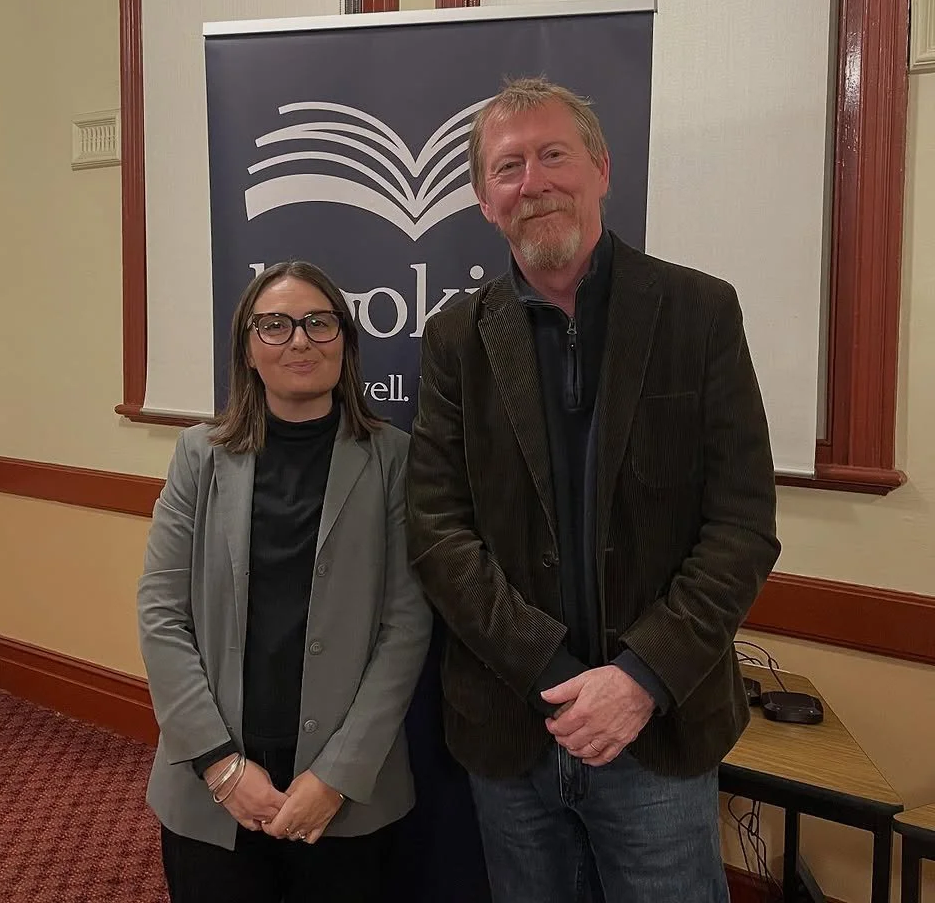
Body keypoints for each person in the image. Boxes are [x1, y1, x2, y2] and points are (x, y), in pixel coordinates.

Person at [405, 76, 780, 902]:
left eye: (553, 155)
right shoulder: (454, 340)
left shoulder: (700, 313)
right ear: (484, 201)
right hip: (511, 731)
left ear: (601, 169)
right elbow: (436, 530)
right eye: (508, 168)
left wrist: (639, 677)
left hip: (657, 732)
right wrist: (550, 670)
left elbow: (743, 525)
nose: (533, 182)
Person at [139, 259, 432, 903]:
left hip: (346, 789)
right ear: (247, 348)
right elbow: (161, 614)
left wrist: (336, 777)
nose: (300, 340)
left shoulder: (393, 457)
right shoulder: (199, 456)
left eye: (319, 323)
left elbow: (406, 626)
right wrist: (219, 764)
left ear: (345, 343)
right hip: (213, 779)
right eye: (274, 325)